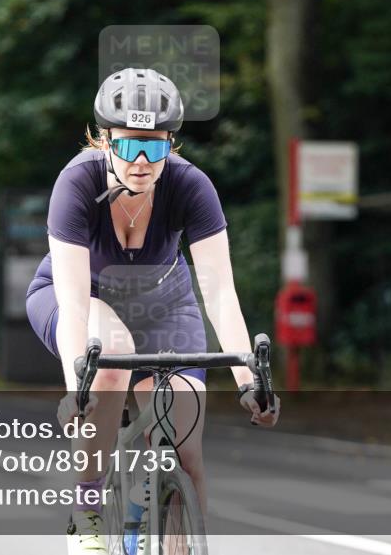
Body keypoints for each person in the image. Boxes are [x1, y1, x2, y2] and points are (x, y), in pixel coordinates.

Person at [25, 67, 281, 554]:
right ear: (104, 140)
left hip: (165, 304)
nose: (142, 161)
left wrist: (250, 382)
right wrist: (77, 391)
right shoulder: (75, 185)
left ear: (171, 143)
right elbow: (77, 305)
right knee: (111, 354)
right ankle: (87, 509)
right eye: (127, 146)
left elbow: (220, 293)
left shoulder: (191, 186)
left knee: (185, 449)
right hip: (80, 296)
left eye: (156, 146)